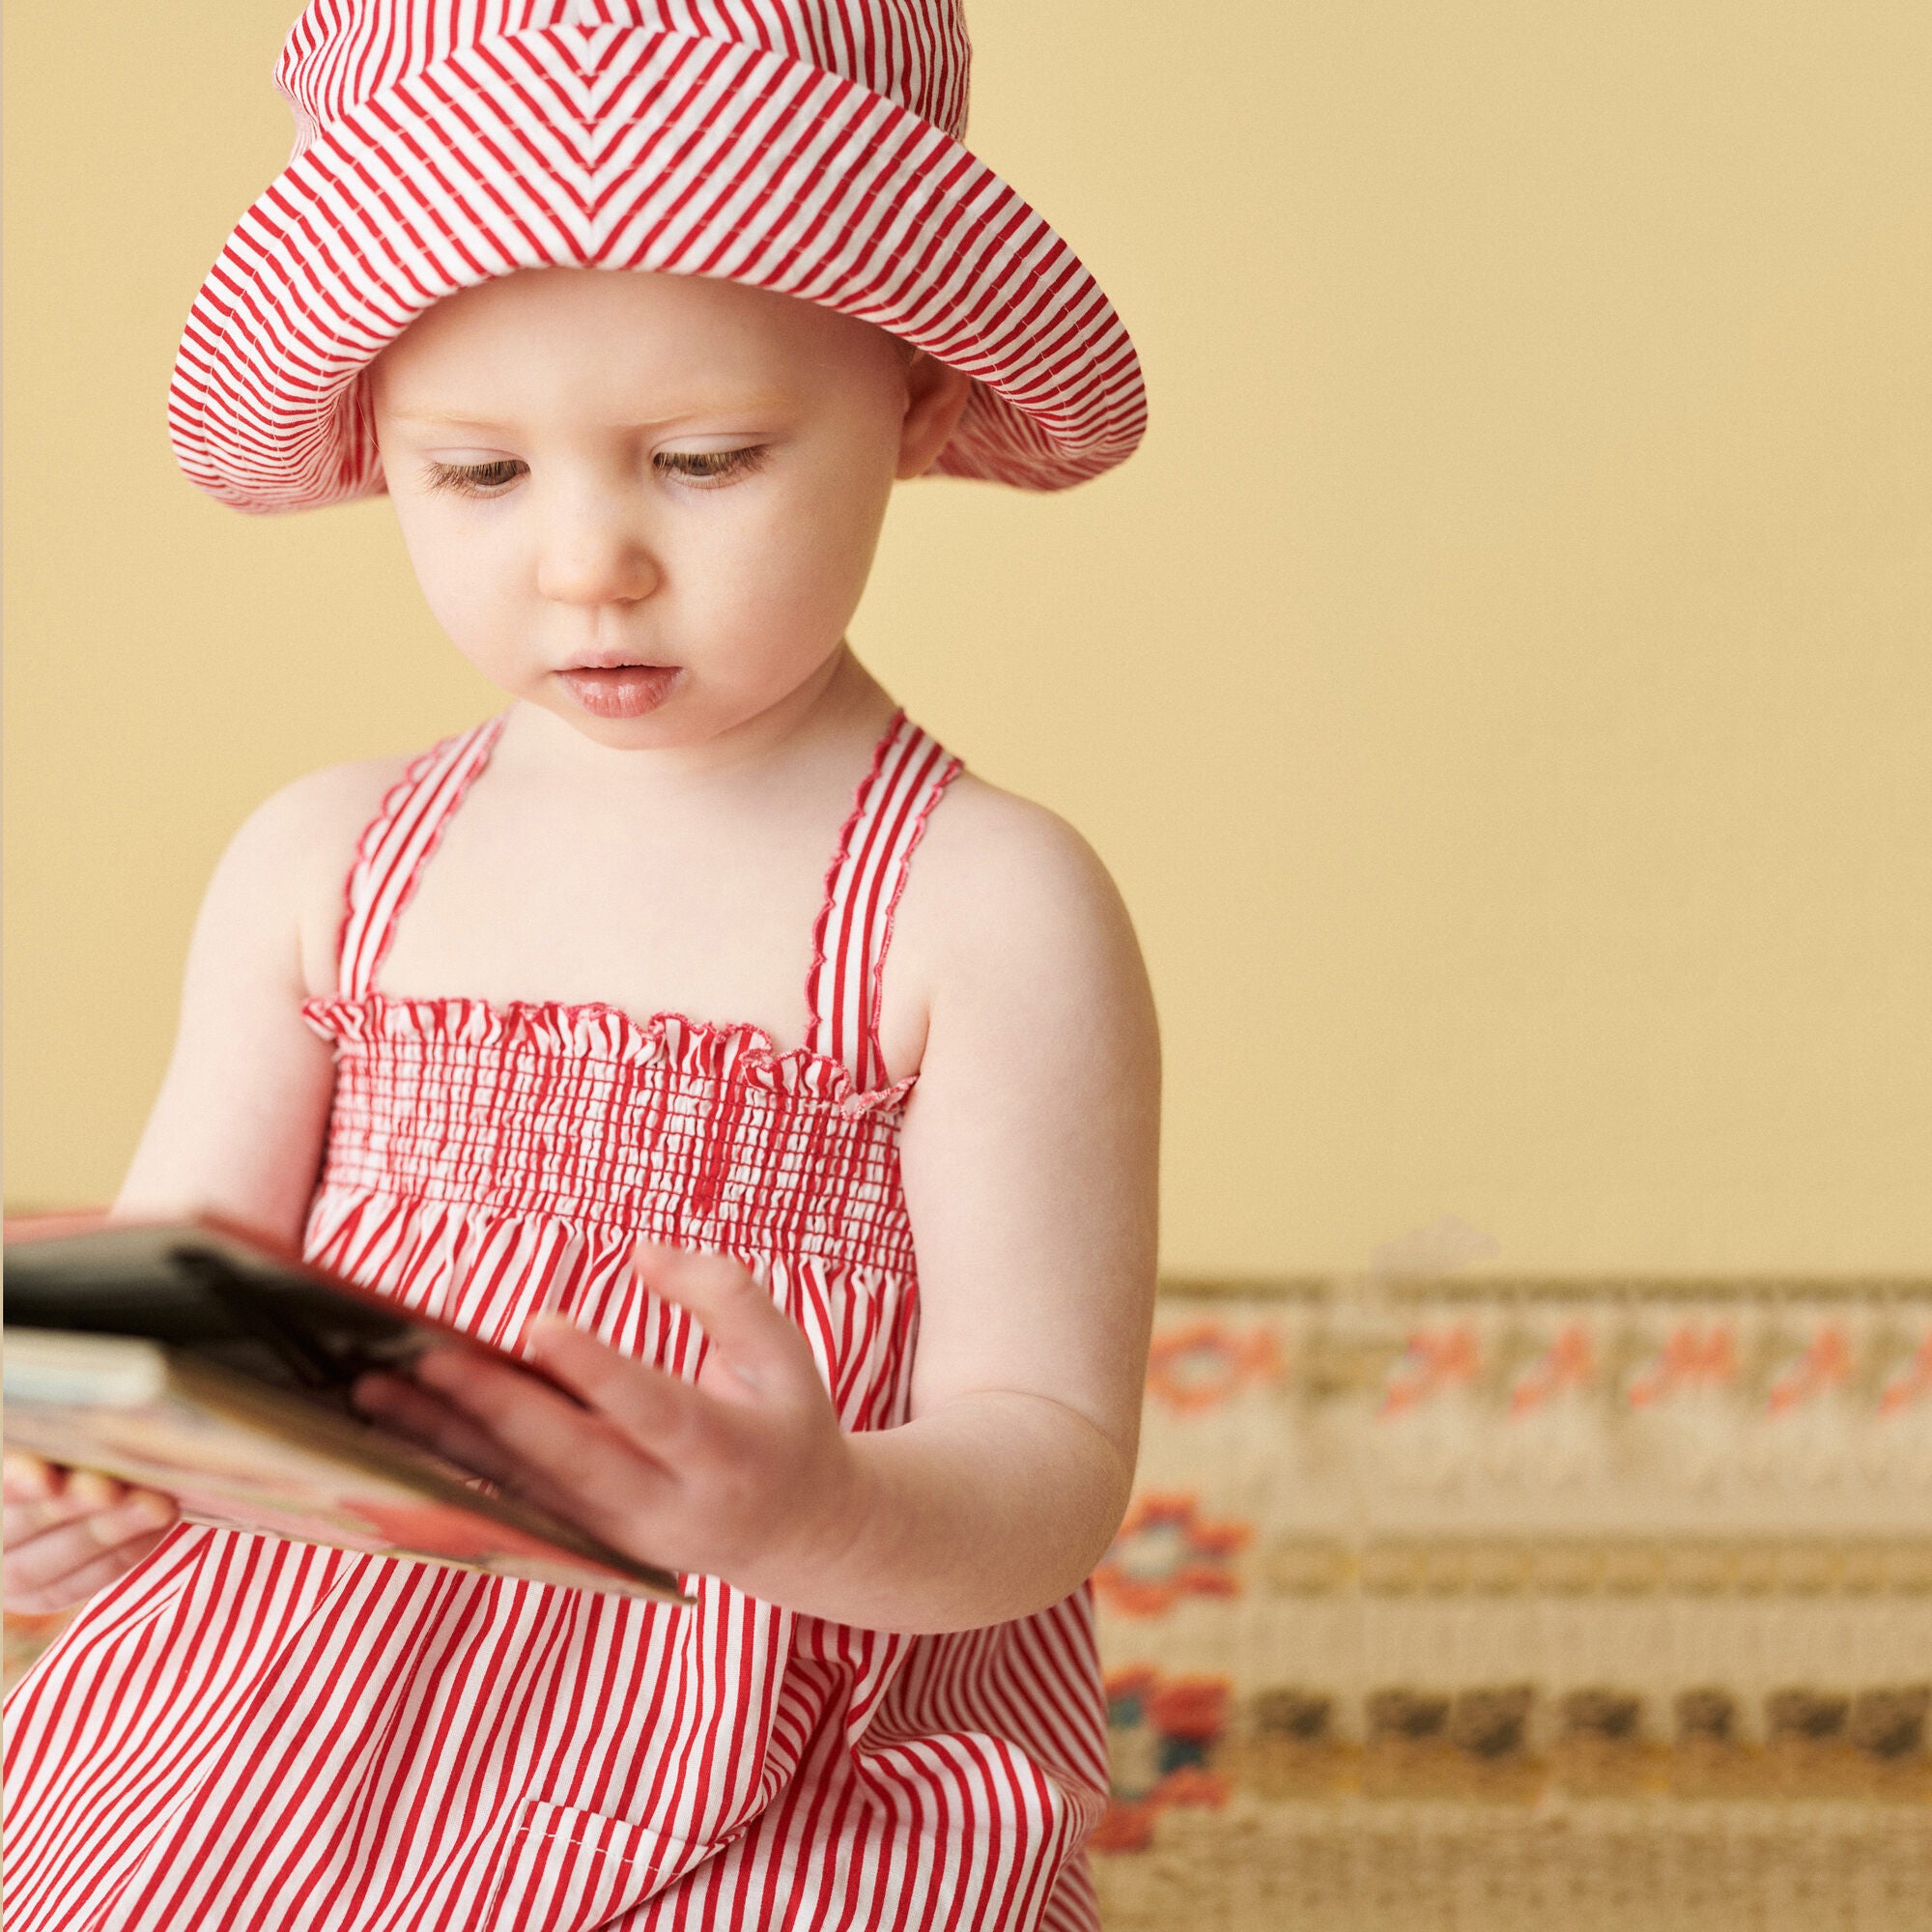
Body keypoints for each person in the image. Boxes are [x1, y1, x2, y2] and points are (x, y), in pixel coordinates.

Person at [1, 3, 1158, 1929]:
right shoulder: (325, 861)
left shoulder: (980, 904)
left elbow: (1047, 1464)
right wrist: (59, 1491)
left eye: (703, 461)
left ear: (917, 399)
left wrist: (814, 1513)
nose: (587, 563)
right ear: (379, 445)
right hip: (283, 1729)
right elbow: (163, 1342)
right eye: (479, 476)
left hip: (771, 1745)